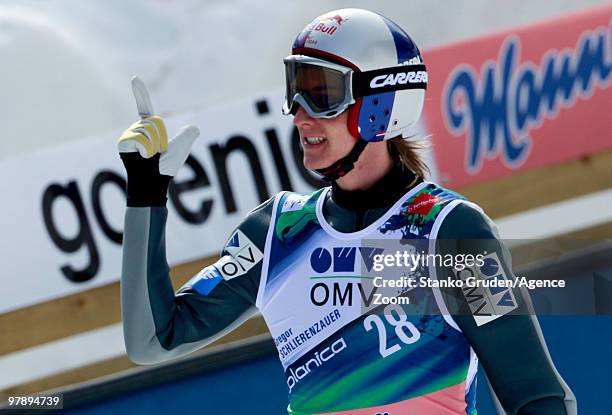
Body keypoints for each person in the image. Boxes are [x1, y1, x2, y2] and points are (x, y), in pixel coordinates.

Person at [118, 8, 576, 415]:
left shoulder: (454, 233)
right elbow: (153, 340)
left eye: (321, 93)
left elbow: (534, 393)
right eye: (296, 89)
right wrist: (145, 193)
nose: (300, 115)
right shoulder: (277, 231)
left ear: (381, 105)